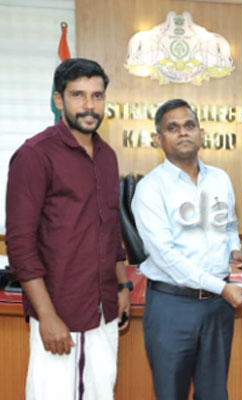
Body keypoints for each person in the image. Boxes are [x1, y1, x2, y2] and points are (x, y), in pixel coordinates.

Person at [6, 58, 131, 400]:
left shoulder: (107, 156)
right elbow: (20, 244)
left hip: (104, 312)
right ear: (59, 100)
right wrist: (46, 316)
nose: (90, 105)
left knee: (100, 393)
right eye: (78, 95)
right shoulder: (35, 155)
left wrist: (122, 285)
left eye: (97, 95)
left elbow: (110, 228)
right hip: (61, 312)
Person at [131, 98, 242, 400]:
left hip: (217, 308)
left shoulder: (220, 178)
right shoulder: (150, 188)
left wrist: (234, 250)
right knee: (171, 394)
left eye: (189, 125)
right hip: (173, 306)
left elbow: (228, 225)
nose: (183, 132)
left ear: (201, 133)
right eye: (173, 128)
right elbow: (165, 257)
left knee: (214, 394)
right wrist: (222, 288)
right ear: (158, 139)